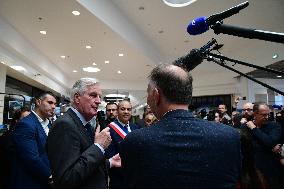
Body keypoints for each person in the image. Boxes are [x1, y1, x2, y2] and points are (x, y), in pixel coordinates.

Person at [120, 64, 241, 189]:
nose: (148, 100)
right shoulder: (229, 137)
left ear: (156, 95)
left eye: (148, 94)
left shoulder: (134, 142)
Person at [47, 78, 121, 189]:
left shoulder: (84, 124)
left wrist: (110, 162)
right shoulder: (64, 125)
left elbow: (85, 163)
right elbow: (67, 178)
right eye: (93, 95)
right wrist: (99, 147)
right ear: (77, 98)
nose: (98, 101)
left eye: (99, 96)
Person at [10, 92, 56, 189]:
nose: (53, 107)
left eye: (55, 104)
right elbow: (31, 158)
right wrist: (50, 177)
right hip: (30, 182)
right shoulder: (26, 124)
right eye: (50, 103)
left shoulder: (49, 124)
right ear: (39, 102)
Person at [241, 102, 281, 189]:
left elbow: (270, 142)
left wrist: (254, 129)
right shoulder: (245, 127)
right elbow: (244, 147)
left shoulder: (274, 126)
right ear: (255, 113)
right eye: (264, 115)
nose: (267, 117)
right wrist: (268, 147)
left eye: (268, 114)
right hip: (252, 169)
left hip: (270, 169)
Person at [105, 100, 139, 189]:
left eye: (129, 109)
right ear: (117, 111)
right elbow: (109, 155)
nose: (126, 112)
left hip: (135, 177)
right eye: (123, 109)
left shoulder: (136, 127)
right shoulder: (109, 129)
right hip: (119, 178)